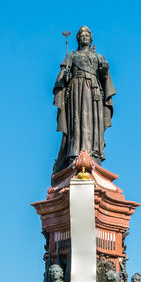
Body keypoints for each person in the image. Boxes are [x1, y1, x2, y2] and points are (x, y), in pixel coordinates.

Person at [52, 26, 116, 173]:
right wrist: (66, 77)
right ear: (78, 38)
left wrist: (105, 70)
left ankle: (94, 153)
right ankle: (74, 152)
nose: (84, 37)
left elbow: (105, 80)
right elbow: (61, 79)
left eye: (87, 34)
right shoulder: (72, 56)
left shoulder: (98, 57)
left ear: (91, 38)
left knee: (92, 122)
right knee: (77, 121)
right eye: (81, 35)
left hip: (94, 93)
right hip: (76, 92)